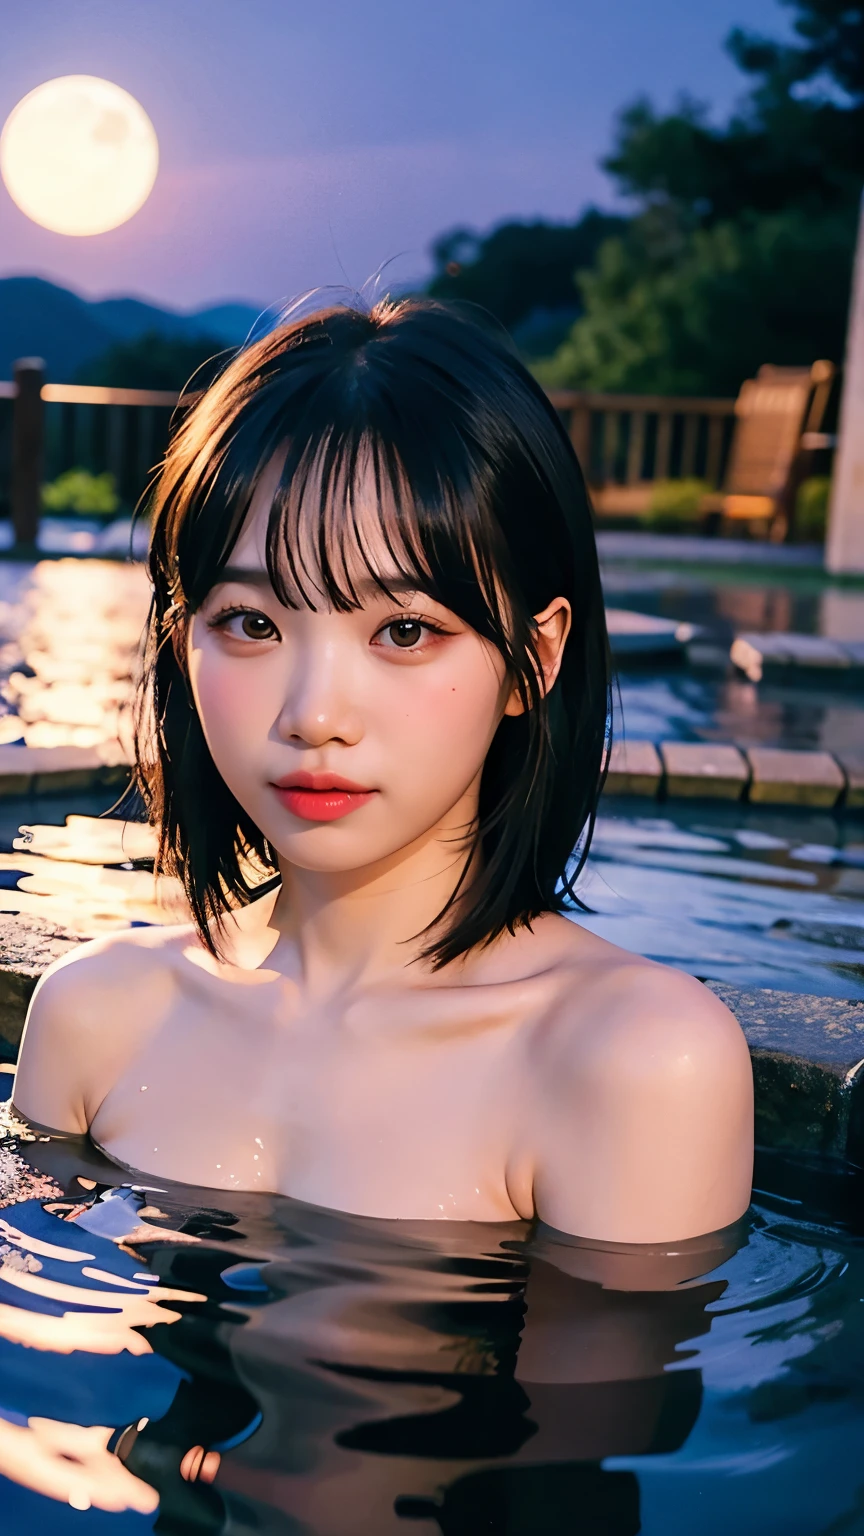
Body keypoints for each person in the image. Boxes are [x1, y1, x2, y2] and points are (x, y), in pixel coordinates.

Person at [12, 296, 753, 1243]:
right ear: (181, 635)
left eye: (405, 631)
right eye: (253, 624)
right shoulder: (93, 1013)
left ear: (537, 658)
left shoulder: (631, 1061)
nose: (315, 715)